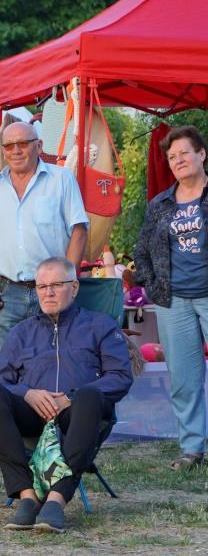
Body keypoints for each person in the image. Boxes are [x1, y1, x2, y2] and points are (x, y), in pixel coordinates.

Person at [0, 257, 132, 533]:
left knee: (89, 395)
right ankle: (27, 495)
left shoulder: (101, 325)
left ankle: (56, 500)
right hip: (33, 413)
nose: (48, 293)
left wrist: (71, 397)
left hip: (79, 413)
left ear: (74, 287)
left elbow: (120, 376)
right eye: (42, 286)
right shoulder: (22, 332)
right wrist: (27, 393)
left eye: (56, 285)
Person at [0, 122, 88, 360]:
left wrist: (67, 283)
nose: (16, 150)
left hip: (52, 291)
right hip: (6, 294)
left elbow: (79, 232)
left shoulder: (61, 179)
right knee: (7, 368)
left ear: (39, 146)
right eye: (9, 146)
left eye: (23, 143)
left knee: (54, 363)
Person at [134, 125, 208, 469]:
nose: (178, 160)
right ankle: (192, 449)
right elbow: (142, 250)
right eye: (172, 156)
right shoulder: (160, 204)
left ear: (201, 154)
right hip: (173, 302)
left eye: (184, 153)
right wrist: (152, 286)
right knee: (183, 379)